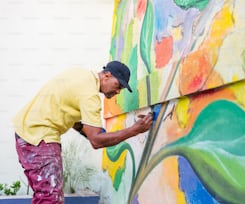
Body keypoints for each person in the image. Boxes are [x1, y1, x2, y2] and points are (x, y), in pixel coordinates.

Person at [13, 61, 153, 204]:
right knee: (50, 198)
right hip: (39, 136)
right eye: (118, 85)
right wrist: (134, 130)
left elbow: (67, 109)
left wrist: (91, 131)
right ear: (107, 75)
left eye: (121, 89)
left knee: (45, 194)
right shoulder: (90, 96)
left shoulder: (80, 75)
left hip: (27, 131)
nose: (118, 91)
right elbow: (96, 141)